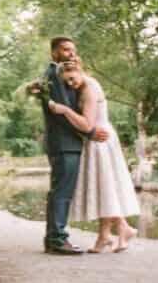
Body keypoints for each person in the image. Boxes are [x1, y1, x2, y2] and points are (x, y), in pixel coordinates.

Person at [48, 58, 140, 253]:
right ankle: (112, 233)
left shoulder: (89, 89)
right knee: (103, 187)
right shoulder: (84, 86)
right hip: (95, 142)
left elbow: (88, 125)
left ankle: (113, 233)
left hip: (100, 141)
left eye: (72, 79)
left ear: (80, 71)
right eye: (67, 82)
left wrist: (64, 110)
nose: (71, 84)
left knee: (104, 187)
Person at [39, 38, 109, 255]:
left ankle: (54, 238)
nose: (70, 53)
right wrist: (90, 132)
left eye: (73, 50)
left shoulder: (58, 75)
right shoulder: (54, 76)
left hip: (65, 143)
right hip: (64, 143)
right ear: (54, 53)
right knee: (62, 191)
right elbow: (62, 111)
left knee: (59, 191)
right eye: (65, 50)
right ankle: (57, 240)